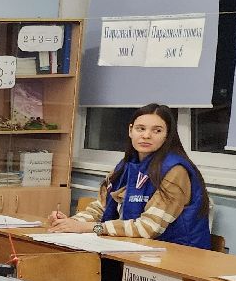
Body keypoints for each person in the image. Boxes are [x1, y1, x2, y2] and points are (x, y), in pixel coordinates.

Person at [48, 103, 211, 249]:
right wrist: (70, 222)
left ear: (167, 135)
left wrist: (90, 227)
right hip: (133, 249)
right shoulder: (125, 166)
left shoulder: (176, 171)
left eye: (157, 130)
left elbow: (148, 228)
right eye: (140, 128)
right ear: (130, 130)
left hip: (177, 254)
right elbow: (101, 207)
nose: (146, 135)